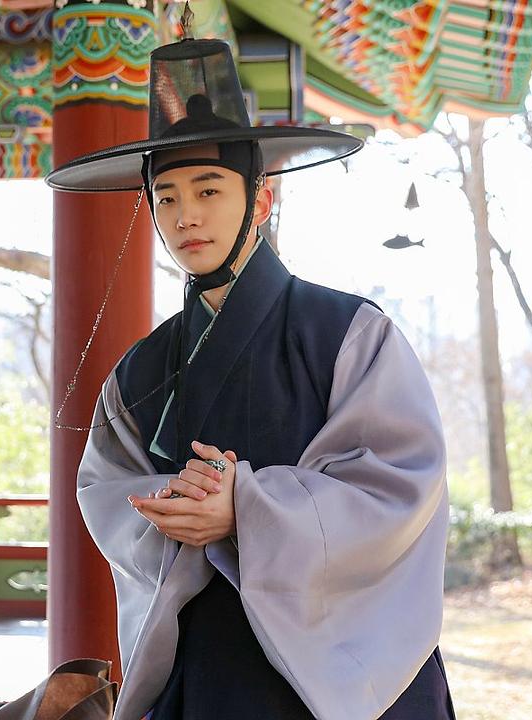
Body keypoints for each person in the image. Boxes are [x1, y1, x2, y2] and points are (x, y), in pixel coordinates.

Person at [46, 35, 455, 720]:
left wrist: (248, 508)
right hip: (202, 658)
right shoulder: (139, 370)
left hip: (333, 668)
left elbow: (399, 485)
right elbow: (106, 490)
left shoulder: (348, 333)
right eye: (166, 197)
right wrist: (176, 506)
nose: (186, 215)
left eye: (208, 190)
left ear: (261, 201)